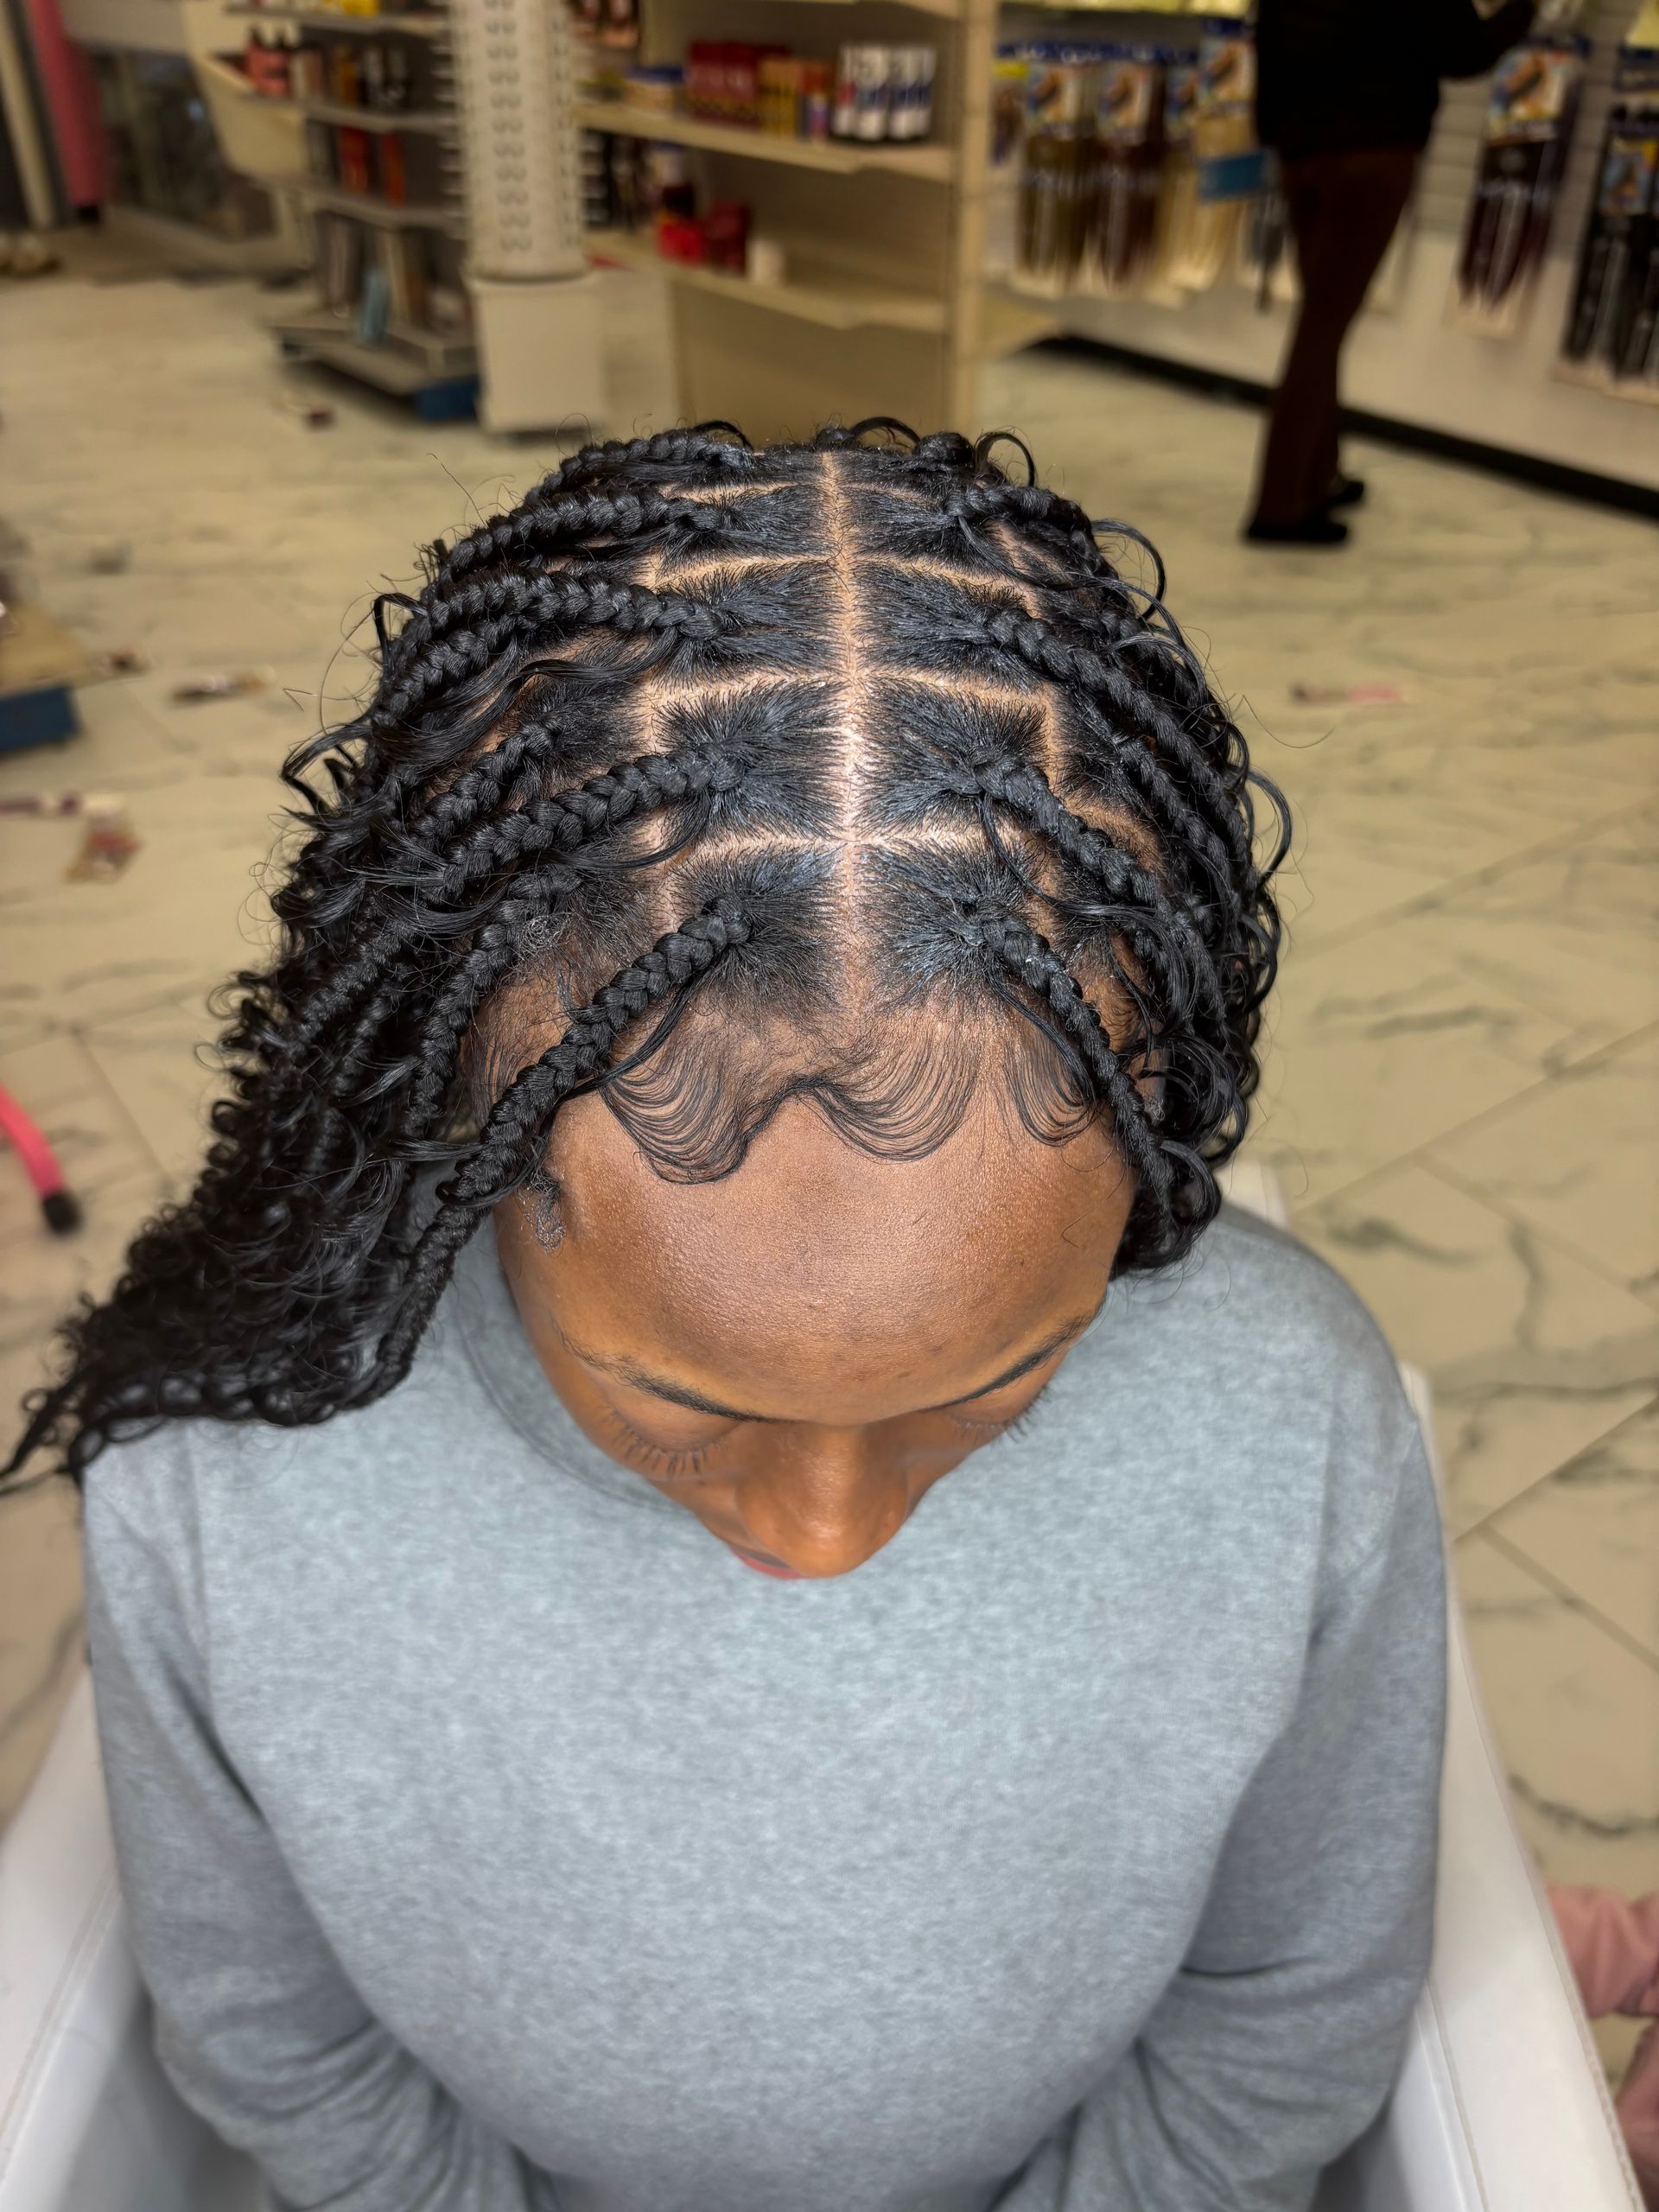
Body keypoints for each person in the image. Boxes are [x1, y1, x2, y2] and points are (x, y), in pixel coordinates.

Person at [7, 423, 1446, 2212]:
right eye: (680, 1404)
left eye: (992, 1389)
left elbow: (1293, 2002)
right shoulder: (224, 1472)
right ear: (455, 1124)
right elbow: (274, 2037)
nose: (828, 1535)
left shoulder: (1291, 1425)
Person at [1249, 0, 1537, 544]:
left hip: (1300, 150)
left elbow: (1268, 39)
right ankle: (1280, 504)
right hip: (1371, 152)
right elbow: (1465, 52)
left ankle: (1317, 475)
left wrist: (1274, 134)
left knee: (1322, 318)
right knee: (1321, 329)